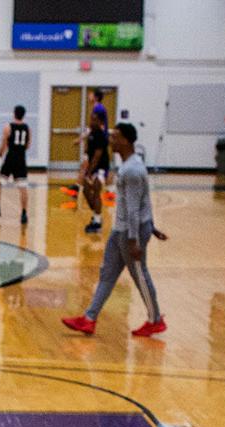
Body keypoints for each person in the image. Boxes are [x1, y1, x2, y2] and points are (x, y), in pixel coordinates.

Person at [62, 123, 169, 337]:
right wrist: (152, 226)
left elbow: (133, 209)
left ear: (127, 141)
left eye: (116, 137)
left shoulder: (132, 170)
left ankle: (155, 319)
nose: (111, 141)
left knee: (140, 275)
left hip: (131, 232)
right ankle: (89, 318)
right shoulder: (130, 164)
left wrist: (134, 239)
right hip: (124, 229)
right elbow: (143, 201)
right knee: (107, 274)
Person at [0, 104, 30, 225]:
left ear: (14, 113)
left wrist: (0, 152)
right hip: (21, 158)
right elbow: (28, 145)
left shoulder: (8, 127)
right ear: (23, 115)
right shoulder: (28, 128)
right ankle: (24, 214)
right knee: (23, 187)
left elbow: (4, 141)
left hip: (10, 157)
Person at [77, 91, 110, 233]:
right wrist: (85, 165)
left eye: (94, 119)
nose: (91, 121)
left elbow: (97, 156)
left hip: (100, 167)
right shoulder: (91, 133)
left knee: (96, 190)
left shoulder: (101, 136)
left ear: (100, 122)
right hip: (91, 166)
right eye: (91, 118)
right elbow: (88, 152)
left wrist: (89, 171)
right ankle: (96, 214)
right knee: (85, 190)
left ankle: (97, 221)